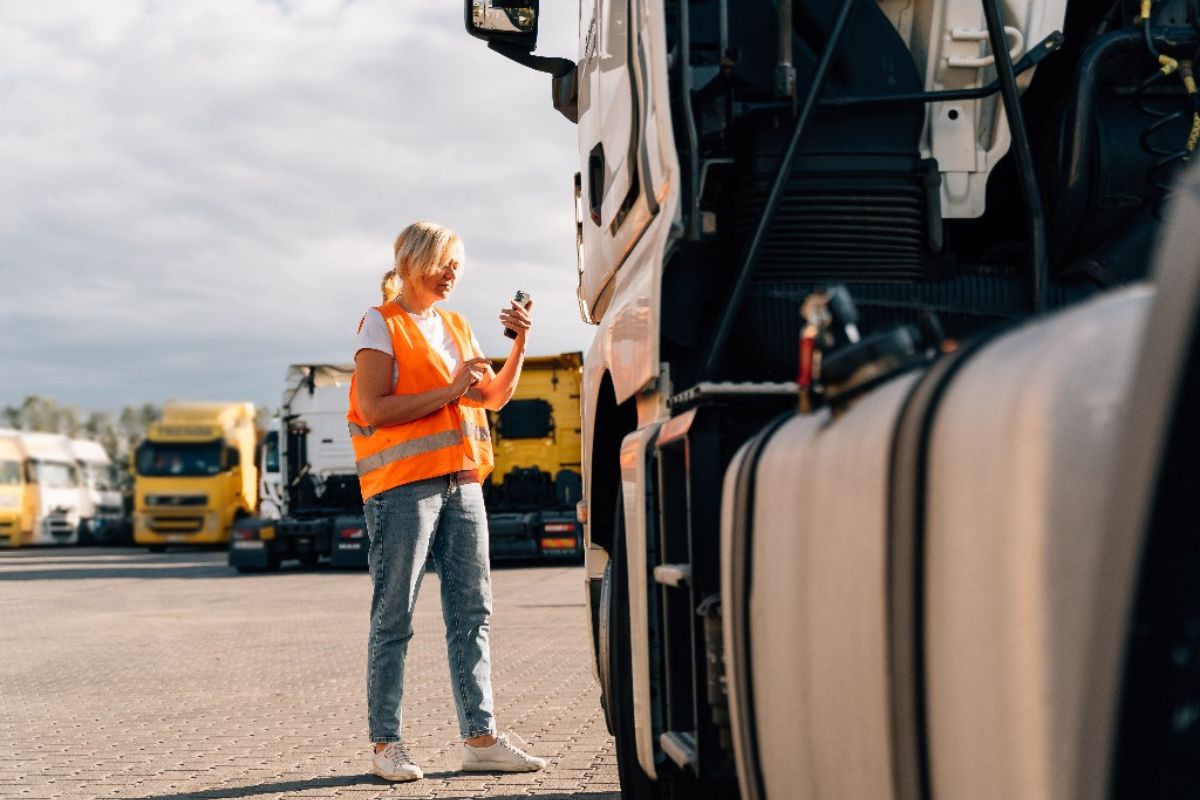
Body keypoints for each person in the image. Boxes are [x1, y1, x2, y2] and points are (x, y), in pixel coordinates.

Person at [347, 221, 545, 782]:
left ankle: (480, 740)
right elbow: (376, 408)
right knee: (395, 615)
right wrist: (452, 389)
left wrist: (520, 343)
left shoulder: (456, 325)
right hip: (403, 488)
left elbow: (496, 397)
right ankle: (387, 745)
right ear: (412, 262)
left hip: (464, 483)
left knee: (473, 611)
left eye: (458, 264)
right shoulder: (379, 324)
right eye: (444, 263)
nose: (453, 273)